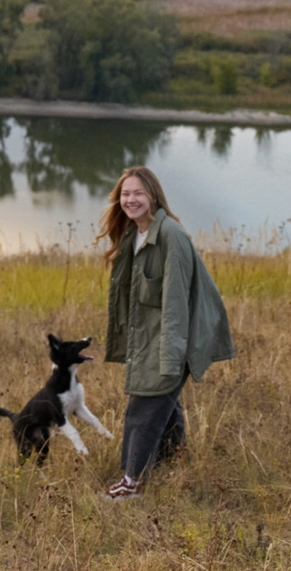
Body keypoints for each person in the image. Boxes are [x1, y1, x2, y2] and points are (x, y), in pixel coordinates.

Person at [99, 166, 234, 500]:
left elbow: (175, 304)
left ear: (153, 196)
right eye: (125, 194)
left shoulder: (170, 236)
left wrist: (171, 358)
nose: (130, 200)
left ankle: (132, 483)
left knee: (143, 410)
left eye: (138, 194)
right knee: (164, 405)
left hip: (175, 337)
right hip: (151, 336)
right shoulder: (135, 233)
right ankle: (175, 466)